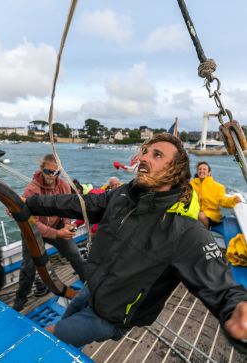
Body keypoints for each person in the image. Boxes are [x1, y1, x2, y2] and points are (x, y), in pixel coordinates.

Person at [24, 134, 247, 347]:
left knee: (47, 338)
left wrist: (234, 310)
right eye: (145, 152)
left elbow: (221, 285)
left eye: (157, 155)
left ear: (174, 170)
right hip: (91, 290)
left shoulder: (184, 231)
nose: (144, 158)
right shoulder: (121, 196)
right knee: (64, 335)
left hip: (113, 317)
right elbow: (75, 203)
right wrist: (30, 203)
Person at [12, 154, 86, 311]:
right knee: (28, 266)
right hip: (32, 232)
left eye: (56, 172)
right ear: (41, 169)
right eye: (48, 172)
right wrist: (58, 234)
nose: (52, 176)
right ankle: (21, 297)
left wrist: (66, 225)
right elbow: (32, 222)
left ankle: (88, 284)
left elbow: (66, 209)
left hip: (57, 226)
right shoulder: (32, 190)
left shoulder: (64, 186)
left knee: (75, 254)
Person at [190, 161, 241, 228]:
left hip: (212, 215)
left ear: (209, 172)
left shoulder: (218, 187)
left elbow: (223, 201)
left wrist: (233, 200)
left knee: (201, 215)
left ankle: (205, 235)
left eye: (204, 169)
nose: (201, 171)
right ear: (197, 171)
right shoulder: (191, 185)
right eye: (199, 169)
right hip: (195, 213)